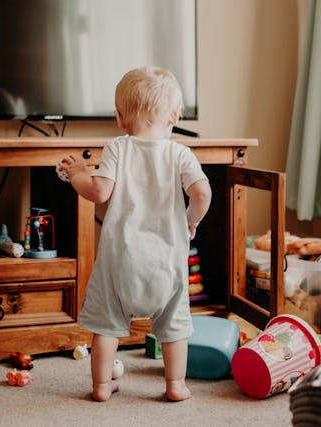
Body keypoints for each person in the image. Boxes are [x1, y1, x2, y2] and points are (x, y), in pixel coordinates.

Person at [59, 66, 212, 402]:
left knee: (106, 327)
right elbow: (202, 193)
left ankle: (101, 387)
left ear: (119, 117)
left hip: (119, 261)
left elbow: (98, 193)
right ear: (174, 114)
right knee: (173, 329)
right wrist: (190, 220)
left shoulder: (118, 147)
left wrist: (77, 173)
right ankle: (175, 385)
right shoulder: (180, 153)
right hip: (168, 261)